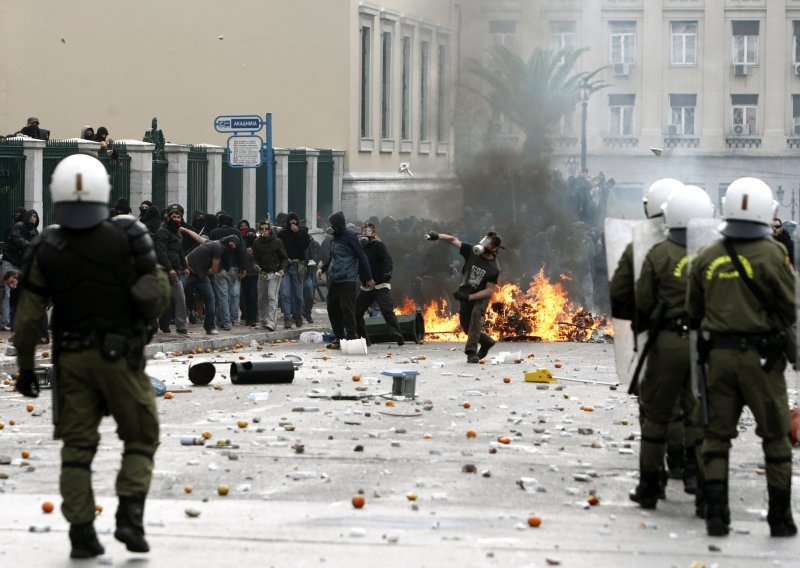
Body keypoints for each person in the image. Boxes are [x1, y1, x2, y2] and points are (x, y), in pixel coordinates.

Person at [12, 153, 170, 559]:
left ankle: (81, 531)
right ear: (103, 193)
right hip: (121, 358)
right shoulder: (128, 237)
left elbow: (28, 321)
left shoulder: (45, 246)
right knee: (140, 434)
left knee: (77, 448)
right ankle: (130, 515)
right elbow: (157, 295)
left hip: (72, 360)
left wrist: (26, 369)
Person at [687, 177, 796, 538]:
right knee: (776, 438)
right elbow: (791, 306)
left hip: (717, 358)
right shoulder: (773, 254)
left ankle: (717, 515)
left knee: (716, 436)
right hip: (762, 363)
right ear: (767, 213)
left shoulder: (707, 256)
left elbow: (694, 310)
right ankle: (779, 518)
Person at [630, 186, 714, 509]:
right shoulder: (715, 254)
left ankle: (651, 487)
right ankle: (701, 483)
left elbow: (643, 301)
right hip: (701, 344)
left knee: (656, 416)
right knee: (699, 416)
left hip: (665, 343)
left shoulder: (658, 254)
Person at [425, 230, 500, 363]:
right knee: (466, 327)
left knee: (476, 314)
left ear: (494, 248)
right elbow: (453, 240)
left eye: (488, 243)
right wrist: (437, 236)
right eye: (484, 240)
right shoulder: (472, 251)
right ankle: (486, 341)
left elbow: (489, 291)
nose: (484, 244)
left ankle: (471, 352)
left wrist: (470, 298)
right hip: (466, 291)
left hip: (480, 296)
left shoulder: (494, 268)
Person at [317, 212, 373, 349]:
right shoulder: (334, 239)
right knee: (332, 309)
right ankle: (340, 338)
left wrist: (369, 277)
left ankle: (352, 339)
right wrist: (323, 269)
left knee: (347, 310)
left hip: (347, 280)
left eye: (332, 224)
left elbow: (362, 256)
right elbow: (332, 258)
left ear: (338, 224)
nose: (330, 227)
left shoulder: (350, 237)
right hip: (334, 280)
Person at [355, 222, 404, 346]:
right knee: (356, 312)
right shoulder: (361, 247)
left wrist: (387, 274)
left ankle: (396, 333)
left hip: (380, 284)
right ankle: (364, 339)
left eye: (369, 231)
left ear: (374, 233)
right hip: (366, 287)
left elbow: (387, 260)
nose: (366, 233)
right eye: (364, 231)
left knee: (387, 309)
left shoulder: (378, 245)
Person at [184, 235, 239, 335]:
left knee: (210, 298)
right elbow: (214, 269)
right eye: (231, 245)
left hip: (200, 275)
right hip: (188, 270)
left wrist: (185, 230)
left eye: (234, 247)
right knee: (178, 295)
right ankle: (184, 321)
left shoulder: (213, 243)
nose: (232, 248)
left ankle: (209, 327)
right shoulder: (220, 247)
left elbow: (198, 238)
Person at [154, 203, 189, 335]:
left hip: (175, 271)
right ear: (168, 217)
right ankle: (156, 324)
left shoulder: (178, 233)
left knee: (180, 298)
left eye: (178, 216)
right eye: (173, 216)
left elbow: (180, 251)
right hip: (163, 270)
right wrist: (169, 269)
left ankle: (181, 326)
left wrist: (185, 266)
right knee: (161, 300)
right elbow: (161, 252)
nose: (176, 219)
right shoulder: (162, 232)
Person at [209, 212, 245, 330]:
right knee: (227, 295)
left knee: (222, 295)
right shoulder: (236, 232)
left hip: (218, 267)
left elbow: (210, 251)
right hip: (233, 268)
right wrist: (243, 267)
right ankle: (224, 320)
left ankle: (224, 321)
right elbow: (241, 251)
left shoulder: (214, 232)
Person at [2, 208, 37, 330]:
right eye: (31, 216)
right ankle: (6, 323)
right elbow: (19, 241)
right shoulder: (18, 227)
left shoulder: (34, 231)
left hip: (22, 265)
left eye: (35, 216)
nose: (33, 218)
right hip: (11, 262)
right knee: (8, 292)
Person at [251, 220, 288, 331]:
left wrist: (282, 270)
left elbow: (284, 257)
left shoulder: (277, 242)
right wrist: (255, 265)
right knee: (261, 298)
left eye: (266, 229)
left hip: (275, 272)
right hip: (262, 273)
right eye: (262, 229)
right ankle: (263, 320)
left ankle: (272, 322)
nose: (264, 231)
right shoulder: (256, 242)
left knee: (272, 296)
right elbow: (255, 257)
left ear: (270, 230)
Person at [279, 212, 311, 329]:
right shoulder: (282, 234)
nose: (292, 222)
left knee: (298, 295)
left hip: (298, 267)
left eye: (295, 220)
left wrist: (297, 232)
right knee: (285, 294)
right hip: (286, 267)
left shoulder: (302, 233)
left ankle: (298, 315)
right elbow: (279, 248)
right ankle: (287, 318)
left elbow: (304, 246)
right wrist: (284, 258)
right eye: (290, 221)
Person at [240, 227, 259, 327]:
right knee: (245, 297)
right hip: (245, 274)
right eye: (249, 234)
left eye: (252, 234)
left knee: (253, 296)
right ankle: (247, 317)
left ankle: (253, 317)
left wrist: (254, 253)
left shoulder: (257, 245)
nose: (250, 236)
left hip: (255, 274)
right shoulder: (242, 245)